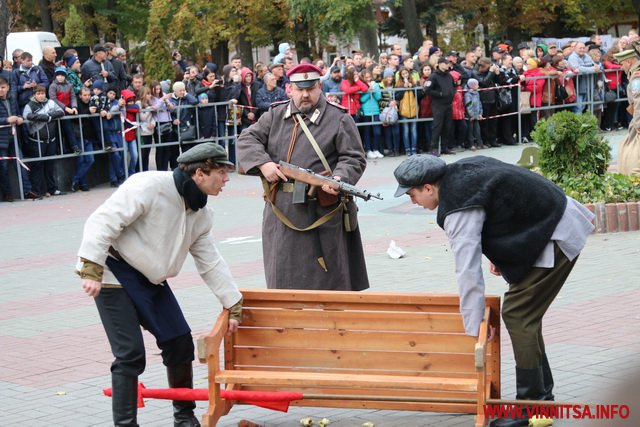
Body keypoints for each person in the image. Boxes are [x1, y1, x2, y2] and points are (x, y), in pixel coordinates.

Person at [393, 154, 595, 427]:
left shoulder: (457, 206)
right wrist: (500, 256)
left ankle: (532, 408)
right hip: (556, 218)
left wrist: (475, 322)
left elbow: (467, 269)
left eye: (412, 195)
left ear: (428, 187)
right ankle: (541, 399)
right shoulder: (462, 170)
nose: (413, 202)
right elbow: (503, 203)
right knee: (525, 314)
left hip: (556, 231)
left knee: (517, 314)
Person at [77, 142, 243, 427]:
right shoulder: (148, 185)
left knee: (179, 343)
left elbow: (210, 261)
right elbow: (103, 221)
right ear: (200, 173)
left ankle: (184, 416)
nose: (227, 178)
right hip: (113, 271)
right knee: (130, 355)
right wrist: (91, 267)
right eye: (221, 172)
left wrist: (233, 302)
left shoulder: (201, 214)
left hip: (151, 279)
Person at [236, 64, 369, 291]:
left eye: (310, 88)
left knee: (328, 280)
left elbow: (354, 158)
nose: (305, 94)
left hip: (322, 211)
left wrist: (340, 177)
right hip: (282, 212)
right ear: (289, 89)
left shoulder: (338, 118)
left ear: (320, 86)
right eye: (299, 89)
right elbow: (247, 139)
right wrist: (264, 163)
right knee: (284, 279)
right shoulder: (275, 115)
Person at [22, 85, 65, 197]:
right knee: (37, 166)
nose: (41, 96)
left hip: (51, 139)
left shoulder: (50, 102)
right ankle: (36, 190)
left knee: (50, 165)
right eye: (38, 93)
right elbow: (27, 116)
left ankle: (52, 188)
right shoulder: (29, 105)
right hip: (37, 141)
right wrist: (44, 117)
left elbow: (61, 112)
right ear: (34, 95)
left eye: (42, 93)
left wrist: (50, 116)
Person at [614, 47, 640, 175]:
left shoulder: (636, 78)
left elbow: (639, 103)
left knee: (632, 155)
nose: (621, 66)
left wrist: (638, 125)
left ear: (629, 61)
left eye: (622, 63)